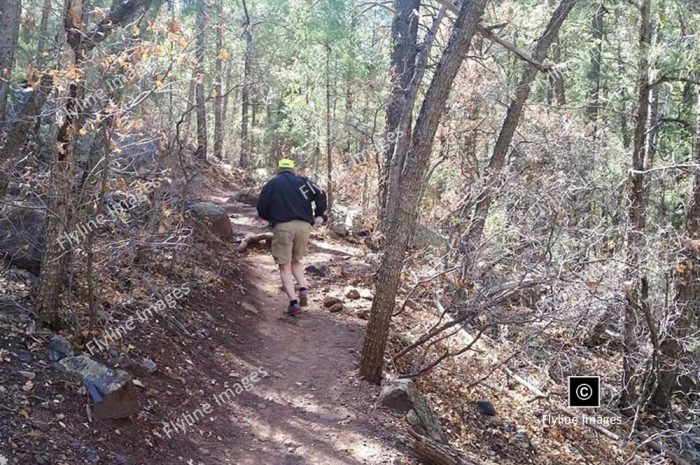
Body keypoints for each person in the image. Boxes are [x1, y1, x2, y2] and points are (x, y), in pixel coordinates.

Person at [256, 158, 327, 316]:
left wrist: (270, 218)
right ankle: (303, 287)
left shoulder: (272, 183)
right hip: (304, 226)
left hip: (283, 226)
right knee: (296, 260)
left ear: (279, 169)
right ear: (293, 169)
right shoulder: (304, 181)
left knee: (284, 265)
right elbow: (321, 193)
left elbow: (261, 207)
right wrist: (320, 214)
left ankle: (293, 303)